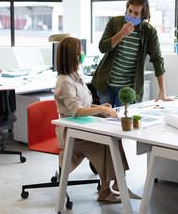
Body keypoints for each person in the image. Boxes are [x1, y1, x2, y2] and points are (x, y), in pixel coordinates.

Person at [53, 37, 138, 203]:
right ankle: (109, 188)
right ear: (73, 56)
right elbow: (76, 111)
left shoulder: (75, 76)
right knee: (106, 143)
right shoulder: (64, 82)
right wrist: (100, 109)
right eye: (80, 52)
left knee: (114, 139)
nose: (83, 54)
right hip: (70, 132)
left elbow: (81, 104)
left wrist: (98, 106)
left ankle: (115, 184)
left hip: (82, 127)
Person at [92, 0, 174, 107]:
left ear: (143, 15)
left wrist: (162, 91)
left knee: (124, 120)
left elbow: (157, 59)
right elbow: (102, 47)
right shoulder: (114, 22)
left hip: (128, 87)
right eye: (129, 11)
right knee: (105, 119)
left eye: (136, 14)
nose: (131, 15)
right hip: (106, 84)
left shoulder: (149, 32)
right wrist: (121, 33)